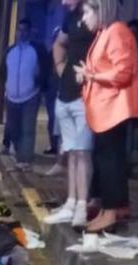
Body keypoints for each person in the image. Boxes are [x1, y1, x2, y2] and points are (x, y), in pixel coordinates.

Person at [76, 0, 138, 233]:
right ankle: (113, 207)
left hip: (113, 110)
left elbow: (123, 72)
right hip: (105, 109)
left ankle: (111, 211)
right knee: (109, 159)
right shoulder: (107, 32)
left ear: (99, 9)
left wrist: (91, 75)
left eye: (87, 12)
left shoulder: (116, 32)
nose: (84, 19)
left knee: (109, 161)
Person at [45, 0, 95, 228]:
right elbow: (59, 43)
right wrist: (59, 67)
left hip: (85, 96)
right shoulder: (70, 18)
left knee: (83, 152)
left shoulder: (96, 19)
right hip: (64, 94)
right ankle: (71, 203)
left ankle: (82, 206)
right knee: (72, 151)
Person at [0, 19, 43, 171]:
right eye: (19, 30)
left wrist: (40, 86)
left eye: (25, 30)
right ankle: (20, 157)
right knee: (14, 128)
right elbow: (3, 71)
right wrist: (6, 88)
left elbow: (44, 70)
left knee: (28, 129)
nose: (21, 33)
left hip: (30, 96)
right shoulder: (10, 51)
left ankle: (25, 160)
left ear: (29, 32)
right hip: (11, 96)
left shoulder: (36, 50)